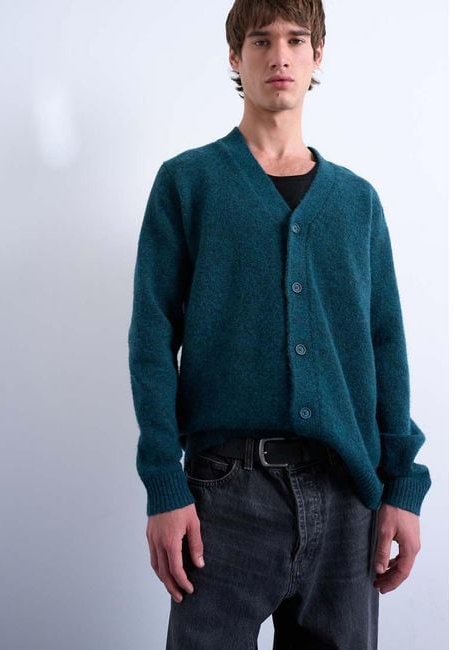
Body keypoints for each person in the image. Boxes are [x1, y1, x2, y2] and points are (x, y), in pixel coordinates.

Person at [127, 1, 432, 647]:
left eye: (296, 40)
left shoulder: (357, 202)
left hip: (348, 497)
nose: (280, 56)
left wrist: (403, 483)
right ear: (235, 57)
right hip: (223, 498)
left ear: (318, 54)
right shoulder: (188, 183)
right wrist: (163, 483)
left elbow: (385, 346)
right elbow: (152, 339)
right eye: (261, 41)